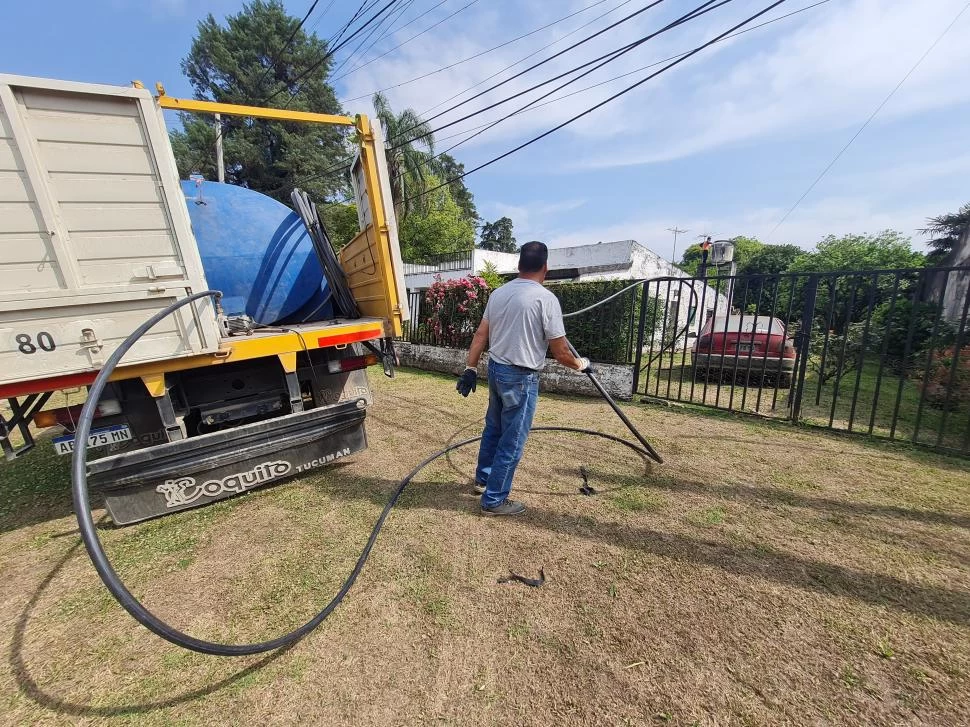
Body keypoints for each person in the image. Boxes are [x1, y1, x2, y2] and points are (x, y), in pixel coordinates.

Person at [456, 241, 593, 516]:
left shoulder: (499, 294)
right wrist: (580, 364)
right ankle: (494, 500)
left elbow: (481, 335)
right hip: (520, 378)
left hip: (496, 371)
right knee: (512, 440)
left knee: (493, 429)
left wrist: (470, 368)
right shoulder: (545, 299)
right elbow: (560, 351)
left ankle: (483, 480)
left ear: (519, 266)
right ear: (545, 268)